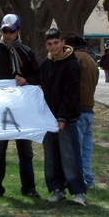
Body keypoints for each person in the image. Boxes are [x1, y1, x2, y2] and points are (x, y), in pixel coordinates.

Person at [0, 14, 40, 198]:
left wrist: (26, 80)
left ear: (18, 30)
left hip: (22, 110)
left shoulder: (27, 53)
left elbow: (38, 77)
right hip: (0, 110)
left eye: (11, 31)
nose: (8, 35)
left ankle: (29, 187)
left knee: (25, 151)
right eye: (5, 31)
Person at [39, 28, 87, 205]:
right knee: (51, 158)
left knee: (70, 156)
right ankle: (57, 190)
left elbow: (71, 94)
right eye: (50, 44)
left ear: (63, 42)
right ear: (46, 45)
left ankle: (79, 192)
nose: (53, 47)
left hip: (67, 120)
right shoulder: (45, 65)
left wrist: (62, 117)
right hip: (48, 120)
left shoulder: (71, 64)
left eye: (56, 43)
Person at [66, 34, 99, 189]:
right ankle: (87, 178)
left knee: (75, 149)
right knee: (86, 149)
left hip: (77, 110)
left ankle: (78, 181)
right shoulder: (92, 61)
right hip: (89, 109)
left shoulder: (75, 59)